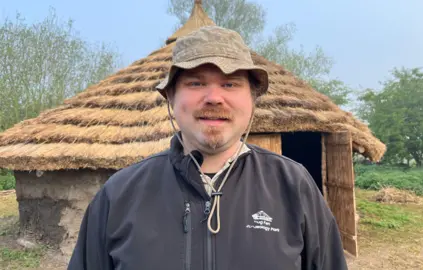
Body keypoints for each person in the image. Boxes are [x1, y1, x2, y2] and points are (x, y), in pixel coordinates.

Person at [67, 25, 348, 270]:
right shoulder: (118, 194)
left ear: (252, 101)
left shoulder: (293, 186)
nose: (214, 97)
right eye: (196, 82)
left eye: (230, 83)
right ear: (171, 98)